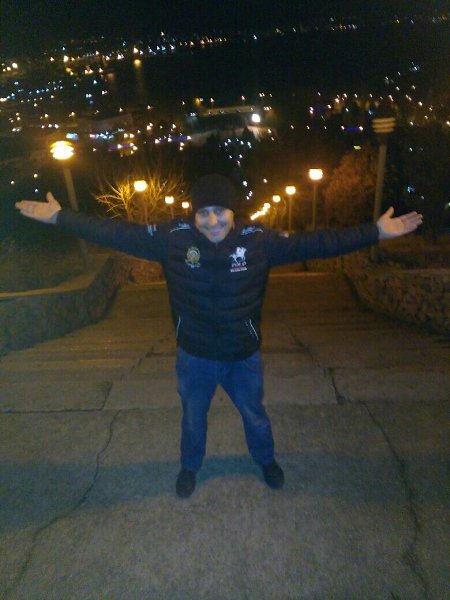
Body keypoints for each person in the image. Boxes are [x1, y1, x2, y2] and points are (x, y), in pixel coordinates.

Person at [16, 174, 423, 498]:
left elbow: (316, 243)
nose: (212, 222)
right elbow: (114, 233)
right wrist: (60, 218)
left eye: (220, 212)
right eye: (204, 213)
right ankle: (190, 468)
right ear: (193, 214)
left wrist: (375, 232)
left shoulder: (258, 242)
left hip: (242, 355)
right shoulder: (173, 239)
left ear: (233, 212)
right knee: (193, 419)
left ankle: (266, 462)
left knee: (254, 415)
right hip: (194, 356)